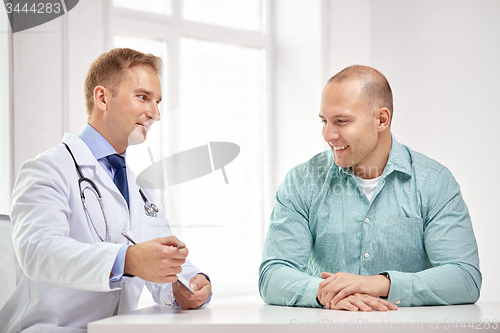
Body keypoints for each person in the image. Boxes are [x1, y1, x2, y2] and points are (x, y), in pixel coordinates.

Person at [0, 48, 212, 332]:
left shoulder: (141, 189)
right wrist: (126, 260)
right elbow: (38, 253)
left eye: (158, 102)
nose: (155, 113)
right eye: (143, 97)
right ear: (102, 98)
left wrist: (189, 283)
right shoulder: (47, 169)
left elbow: (156, 260)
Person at [259, 65, 481, 311]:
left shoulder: (434, 181)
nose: (328, 134)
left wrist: (381, 284)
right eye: (324, 121)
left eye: (341, 121)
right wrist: (328, 294)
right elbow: (273, 274)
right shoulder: (302, 181)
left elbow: (464, 278)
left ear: (381, 120)